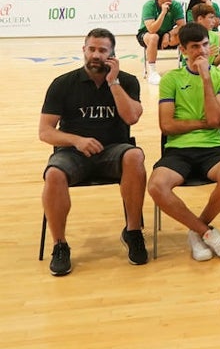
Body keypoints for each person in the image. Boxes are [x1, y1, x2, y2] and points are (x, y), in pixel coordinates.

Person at [39, 28, 146, 276]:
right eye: (92, 49)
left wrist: (114, 83)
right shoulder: (63, 84)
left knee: (135, 155)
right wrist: (76, 140)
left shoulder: (127, 81)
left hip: (113, 150)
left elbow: (131, 117)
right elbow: (45, 132)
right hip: (73, 154)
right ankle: (60, 245)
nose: (96, 55)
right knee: (54, 173)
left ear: (112, 55)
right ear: (84, 50)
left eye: (102, 50)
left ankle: (133, 232)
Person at [147, 23, 220, 261]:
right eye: (195, 47)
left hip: (212, 148)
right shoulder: (171, 79)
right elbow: (167, 126)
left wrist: (206, 78)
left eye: (205, 45)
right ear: (183, 50)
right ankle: (207, 233)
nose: (202, 51)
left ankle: (197, 230)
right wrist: (208, 123)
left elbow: (212, 117)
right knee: (156, 186)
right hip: (178, 149)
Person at [138, 0, 185, 84]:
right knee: (154, 37)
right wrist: (163, 13)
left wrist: (168, 34)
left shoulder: (175, 5)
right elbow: (151, 29)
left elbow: (182, 25)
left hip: (166, 34)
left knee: (184, 35)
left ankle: (184, 67)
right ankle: (152, 72)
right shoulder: (149, 6)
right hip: (146, 34)